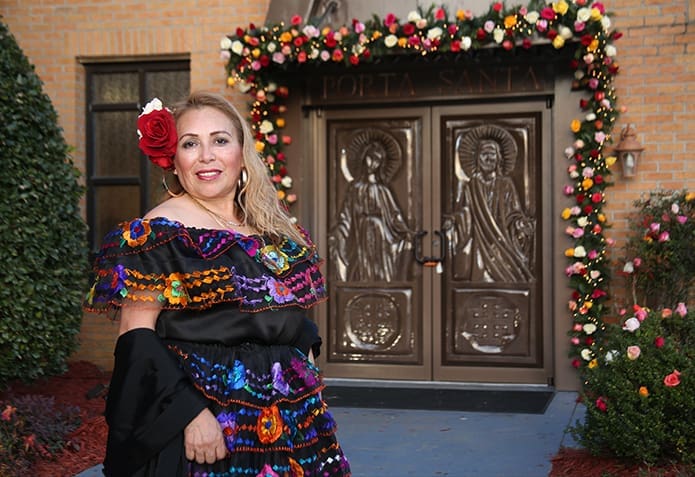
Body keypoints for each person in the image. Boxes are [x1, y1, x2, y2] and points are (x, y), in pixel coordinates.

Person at [84, 91, 351, 476]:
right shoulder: (157, 232)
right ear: (175, 160)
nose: (206, 155)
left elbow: (287, 317)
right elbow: (135, 336)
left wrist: (305, 370)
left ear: (242, 153)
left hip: (290, 421)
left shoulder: (271, 229)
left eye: (220, 140)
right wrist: (191, 414)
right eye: (191, 143)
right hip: (207, 424)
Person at [450, 128, 535, 283]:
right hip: (478, 244)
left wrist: (520, 223)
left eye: (492, 154)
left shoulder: (506, 184)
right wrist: (455, 221)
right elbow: (464, 213)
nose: (488, 158)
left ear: (498, 159)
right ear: (477, 158)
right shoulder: (471, 186)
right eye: (484, 154)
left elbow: (514, 214)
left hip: (502, 243)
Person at [329, 137, 413, 282]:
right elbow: (346, 216)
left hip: (381, 235)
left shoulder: (383, 190)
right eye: (370, 158)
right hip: (360, 236)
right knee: (360, 270)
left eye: (377, 160)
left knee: (381, 271)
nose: (372, 164)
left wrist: (405, 231)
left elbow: (394, 215)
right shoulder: (355, 189)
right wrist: (338, 232)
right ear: (364, 158)